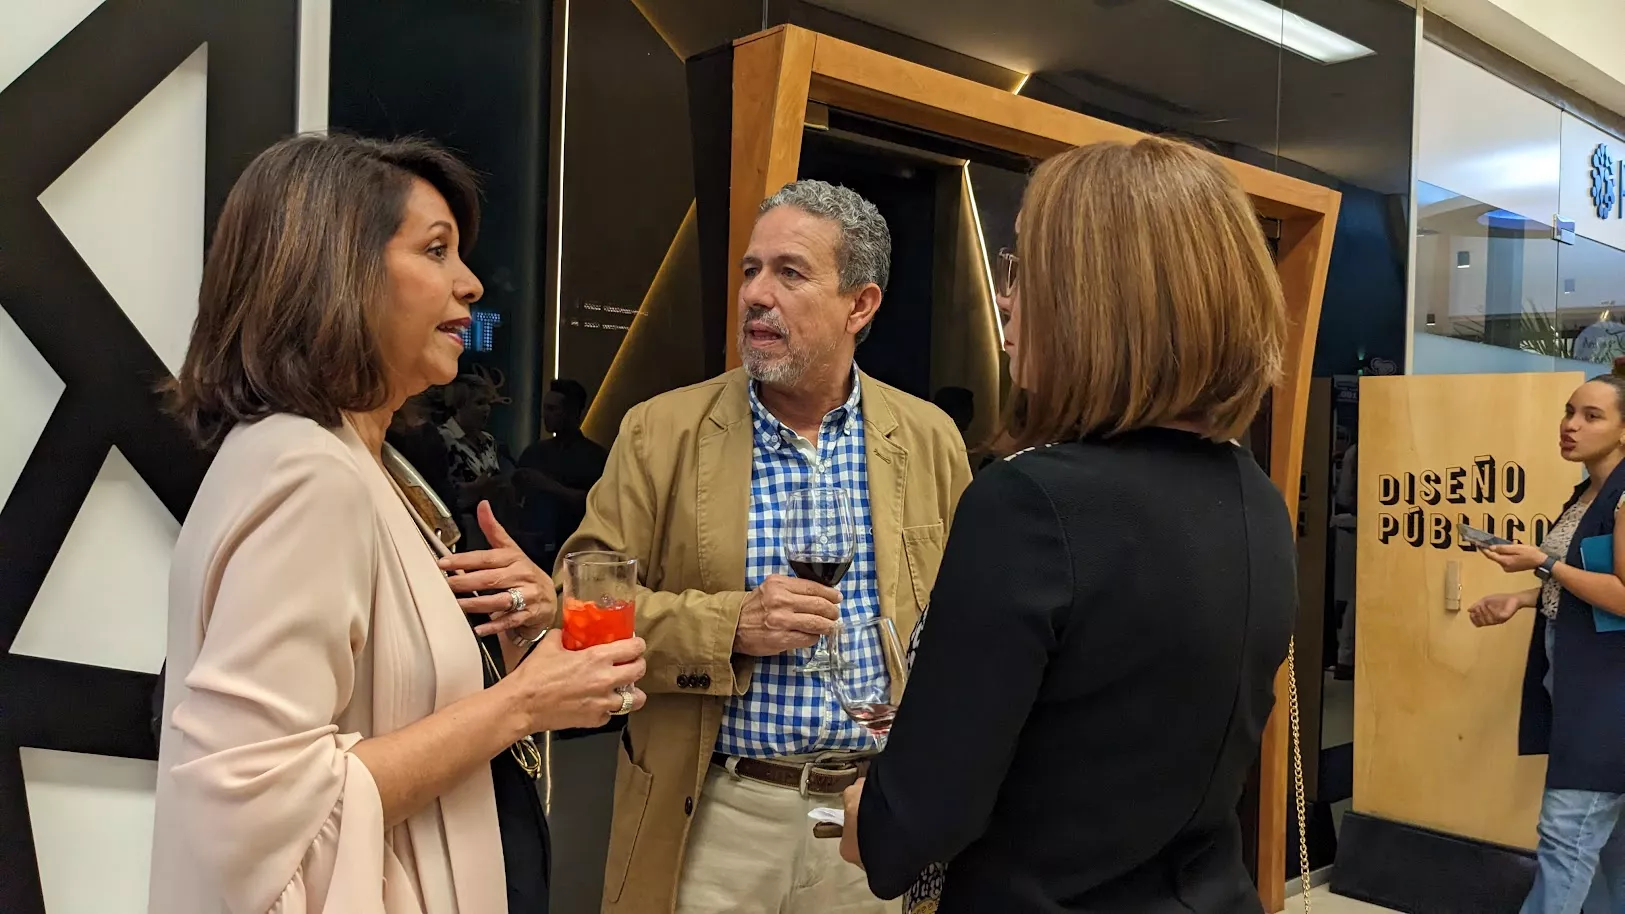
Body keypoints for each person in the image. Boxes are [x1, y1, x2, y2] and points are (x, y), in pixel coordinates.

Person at [149, 133, 647, 914]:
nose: (472, 285)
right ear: (338, 269)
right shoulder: (307, 471)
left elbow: (379, 700)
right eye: (437, 250)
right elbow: (251, 805)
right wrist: (521, 703)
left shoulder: (367, 464)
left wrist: (505, 648)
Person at [836, 137, 1297, 913]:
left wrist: (865, 813)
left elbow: (921, 817)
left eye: (1024, 270)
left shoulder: (1029, 505)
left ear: (1099, 301)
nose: (1006, 298)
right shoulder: (1255, 495)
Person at [562, 179, 972, 914]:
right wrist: (732, 627)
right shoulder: (661, 431)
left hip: (867, 814)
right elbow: (582, 605)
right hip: (718, 815)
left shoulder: (929, 439)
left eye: (789, 272)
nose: (756, 294)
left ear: (860, 305)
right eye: (751, 270)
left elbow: (962, 624)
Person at [1468, 365, 1625, 914]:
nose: (1571, 425)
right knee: (1607, 852)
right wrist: (1524, 596)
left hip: (1608, 692)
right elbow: (1586, 583)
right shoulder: (1587, 493)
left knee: (1565, 838)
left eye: (1591, 415)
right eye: (1568, 411)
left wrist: (1543, 563)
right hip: (1580, 675)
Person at [514, 378, 608, 571]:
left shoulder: (595, 457)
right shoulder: (534, 452)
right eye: (545, 408)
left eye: (552, 409)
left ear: (573, 412)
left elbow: (595, 503)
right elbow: (517, 503)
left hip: (578, 551)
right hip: (532, 552)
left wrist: (546, 485)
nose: (545, 415)